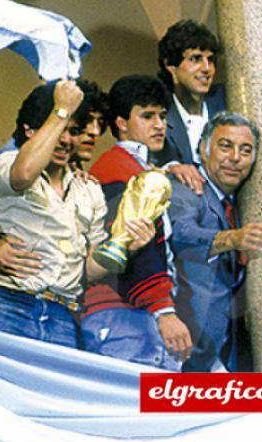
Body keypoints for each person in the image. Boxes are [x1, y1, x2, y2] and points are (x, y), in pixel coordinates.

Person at [0, 80, 152, 347]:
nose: (65, 140)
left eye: (73, 131)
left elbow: (89, 269)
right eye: (59, 129)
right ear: (30, 131)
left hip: (62, 315)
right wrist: (61, 110)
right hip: (10, 303)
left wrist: (127, 246)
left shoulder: (89, 189)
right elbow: (24, 173)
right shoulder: (8, 164)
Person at [81, 75, 192, 368]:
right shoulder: (114, 167)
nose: (159, 124)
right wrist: (163, 310)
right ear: (121, 122)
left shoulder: (142, 168)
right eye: (147, 115)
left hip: (139, 313)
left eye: (162, 116)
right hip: (121, 313)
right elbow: (133, 246)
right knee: (135, 411)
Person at [154, 20, 262, 179]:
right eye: (196, 59)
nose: (206, 69)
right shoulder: (157, 112)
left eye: (210, 60)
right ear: (170, 65)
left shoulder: (231, 99)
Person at [167, 111, 262, 371]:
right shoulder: (188, 186)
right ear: (203, 149)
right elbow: (181, 233)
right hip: (181, 345)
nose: (235, 158)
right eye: (225, 146)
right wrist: (231, 238)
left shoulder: (241, 203)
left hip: (222, 349)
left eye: (245, 151)